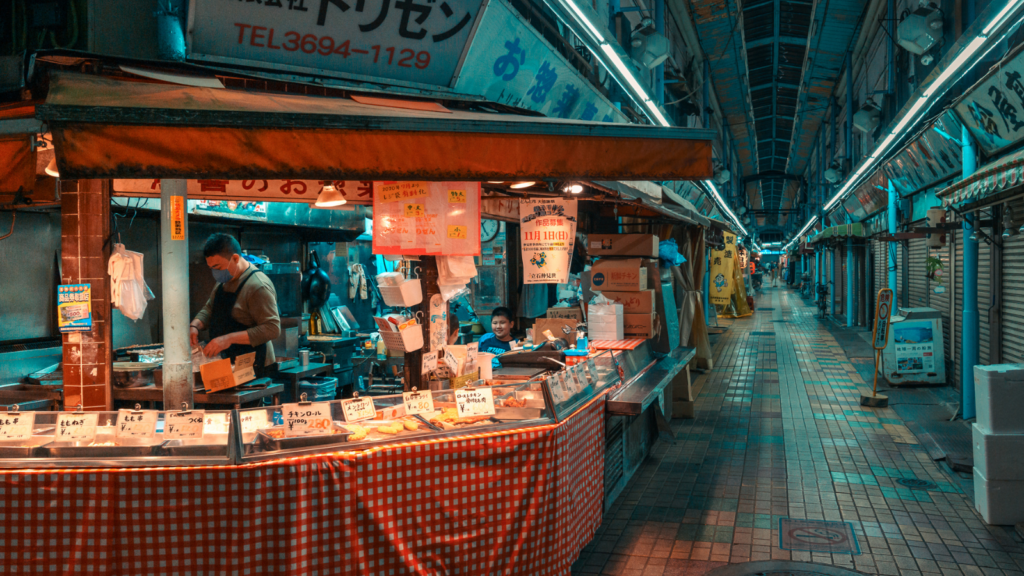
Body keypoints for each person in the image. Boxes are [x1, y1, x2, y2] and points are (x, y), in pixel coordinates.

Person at [189, 233, 281, 376]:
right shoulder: (224, 280)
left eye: (218, 267)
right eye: (211, 268)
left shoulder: (257, 286)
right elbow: (209, 308)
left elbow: (272, 328)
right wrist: (195, 325)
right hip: (227, 363)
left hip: (255, 366)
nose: (215, 272)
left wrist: (228, 339)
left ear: (235, 258)